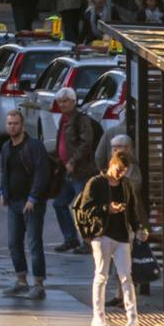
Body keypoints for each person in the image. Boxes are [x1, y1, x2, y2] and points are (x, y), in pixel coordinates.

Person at [74, 136, 144, 326]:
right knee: (101, 275)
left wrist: (138, 228)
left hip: (121, 235)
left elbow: (132, 210)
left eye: (123, 171)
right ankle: (98, 317)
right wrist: (107, 209)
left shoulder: (126, 185)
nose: (120, 174)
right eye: (118, 170)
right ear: (110, 165)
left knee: (126, 276)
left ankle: (132, 316)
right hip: (101, 234)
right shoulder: (96, 183)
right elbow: (84, 209)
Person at [0, 106, 56, 298]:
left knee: (33, 243)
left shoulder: (34, 146)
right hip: (13, 202)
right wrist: (2, 192)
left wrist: (33, 198)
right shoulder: (6, 147)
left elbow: (42, 173)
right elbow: (5, 172)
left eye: (15, 124)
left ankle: (39, 284)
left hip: (32, 203)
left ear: (22, 126)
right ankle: (21, 280)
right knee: (13, 243)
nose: (12, 127)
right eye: (9, 124)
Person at [52, 89, 101, 255]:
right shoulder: (63, 120)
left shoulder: (81, 120)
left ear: (74, 102)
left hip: (83, 172)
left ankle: (88, 242)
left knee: (83, 208)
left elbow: (86, 144)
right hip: (68, 172)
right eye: (60, 102)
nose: (63, 104)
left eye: (66, 101)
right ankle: (70, 239)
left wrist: (73, 161)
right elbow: (61, 142)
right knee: (59, 203)